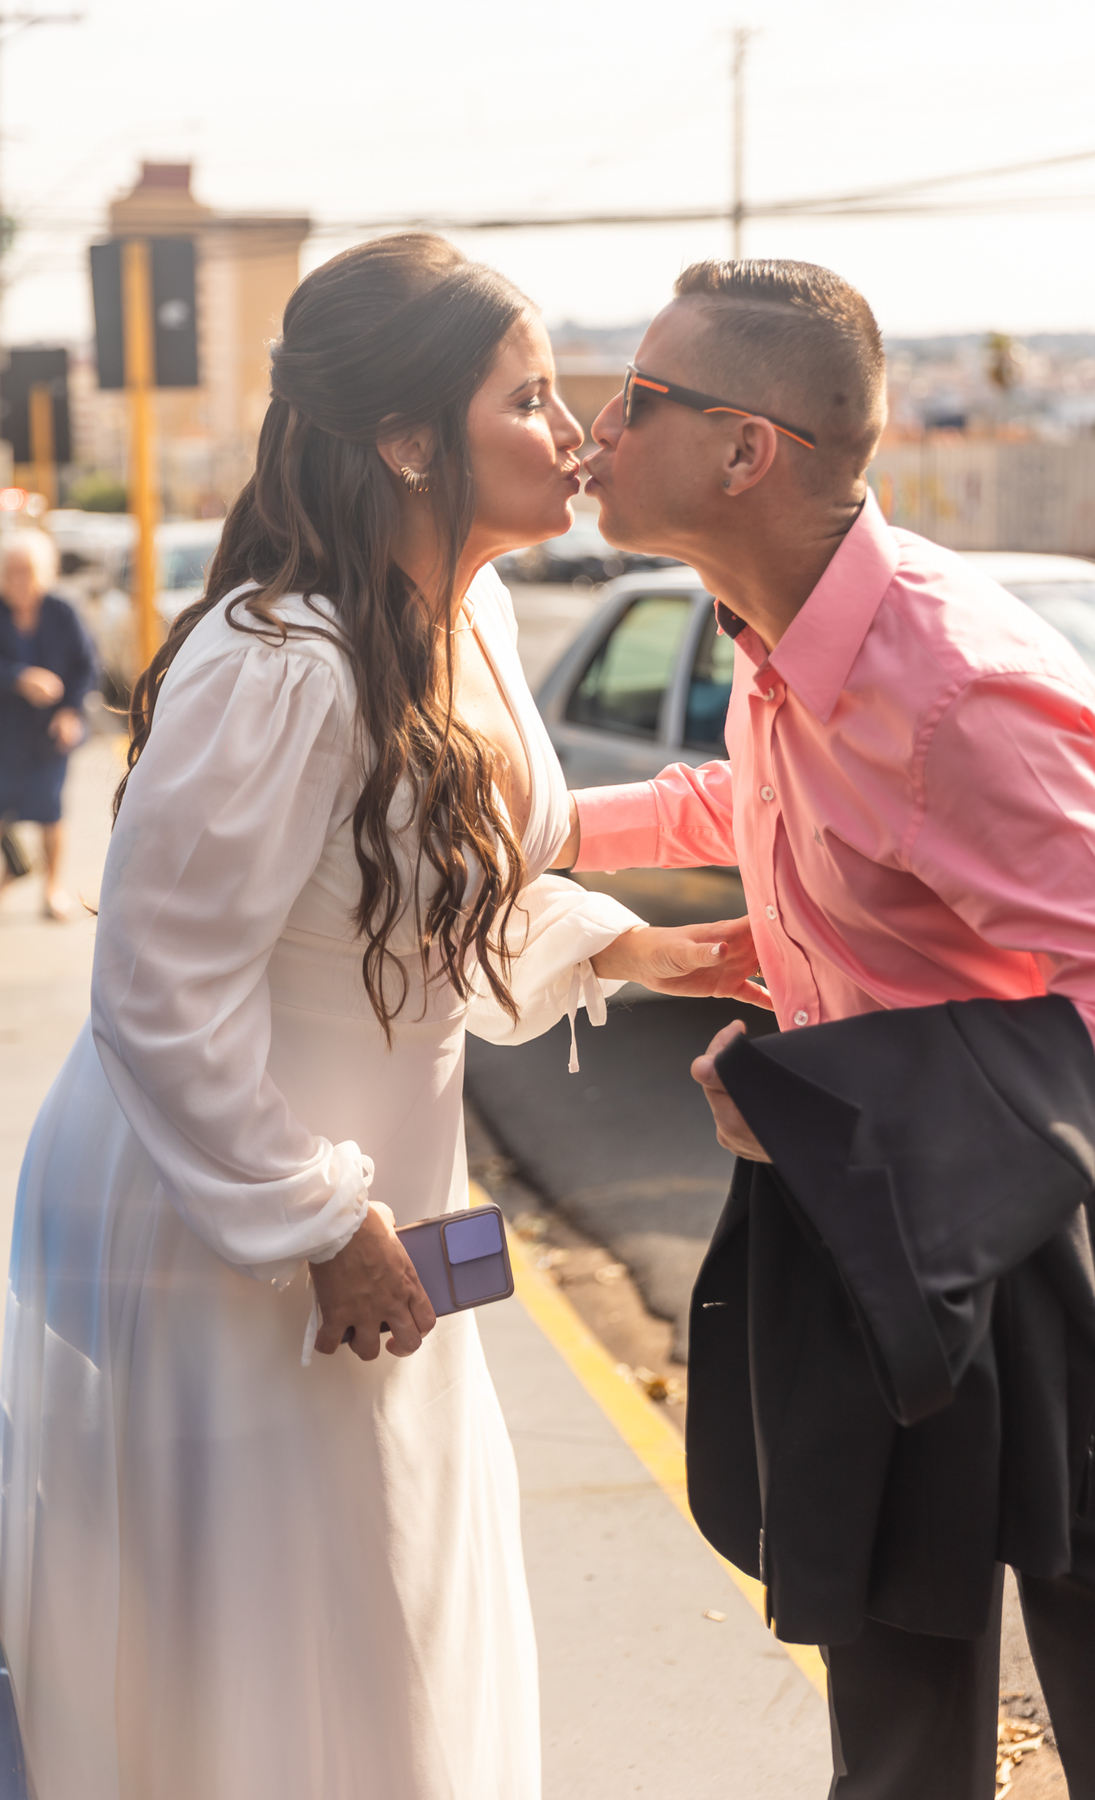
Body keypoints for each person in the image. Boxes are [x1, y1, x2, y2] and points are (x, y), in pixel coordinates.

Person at [0, 235, 764, 1800]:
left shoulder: (468, 624)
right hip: (229, 1230)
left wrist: (635, 950)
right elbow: (158, 990)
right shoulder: (277, 662)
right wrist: (315, 1219)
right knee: (288, 1646)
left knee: (391, 1608)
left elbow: (423, 900)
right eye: (532, 396)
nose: (575, 432)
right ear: (407, 440)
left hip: (378, 1212)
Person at [552, 257, 1095, 1798]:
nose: (594, 430)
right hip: (876, 1224)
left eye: (634, 398)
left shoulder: (953, 684)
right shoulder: (777, 638)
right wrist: (529, 831)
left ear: (741, 450)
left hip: (1063, 1229)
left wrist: (852, 1101)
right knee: (897, 1714)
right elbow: (760, 809)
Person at [0, 528, 96, 920]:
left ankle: (51, 889)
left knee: (50, 811)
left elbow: (86, 666)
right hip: (6, 730)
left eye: (27, 571)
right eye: (11, 572)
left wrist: (70, 711)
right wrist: (19, 677)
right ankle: (15, 868)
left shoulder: (62, 610)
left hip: (50, 732)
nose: (19, 580)